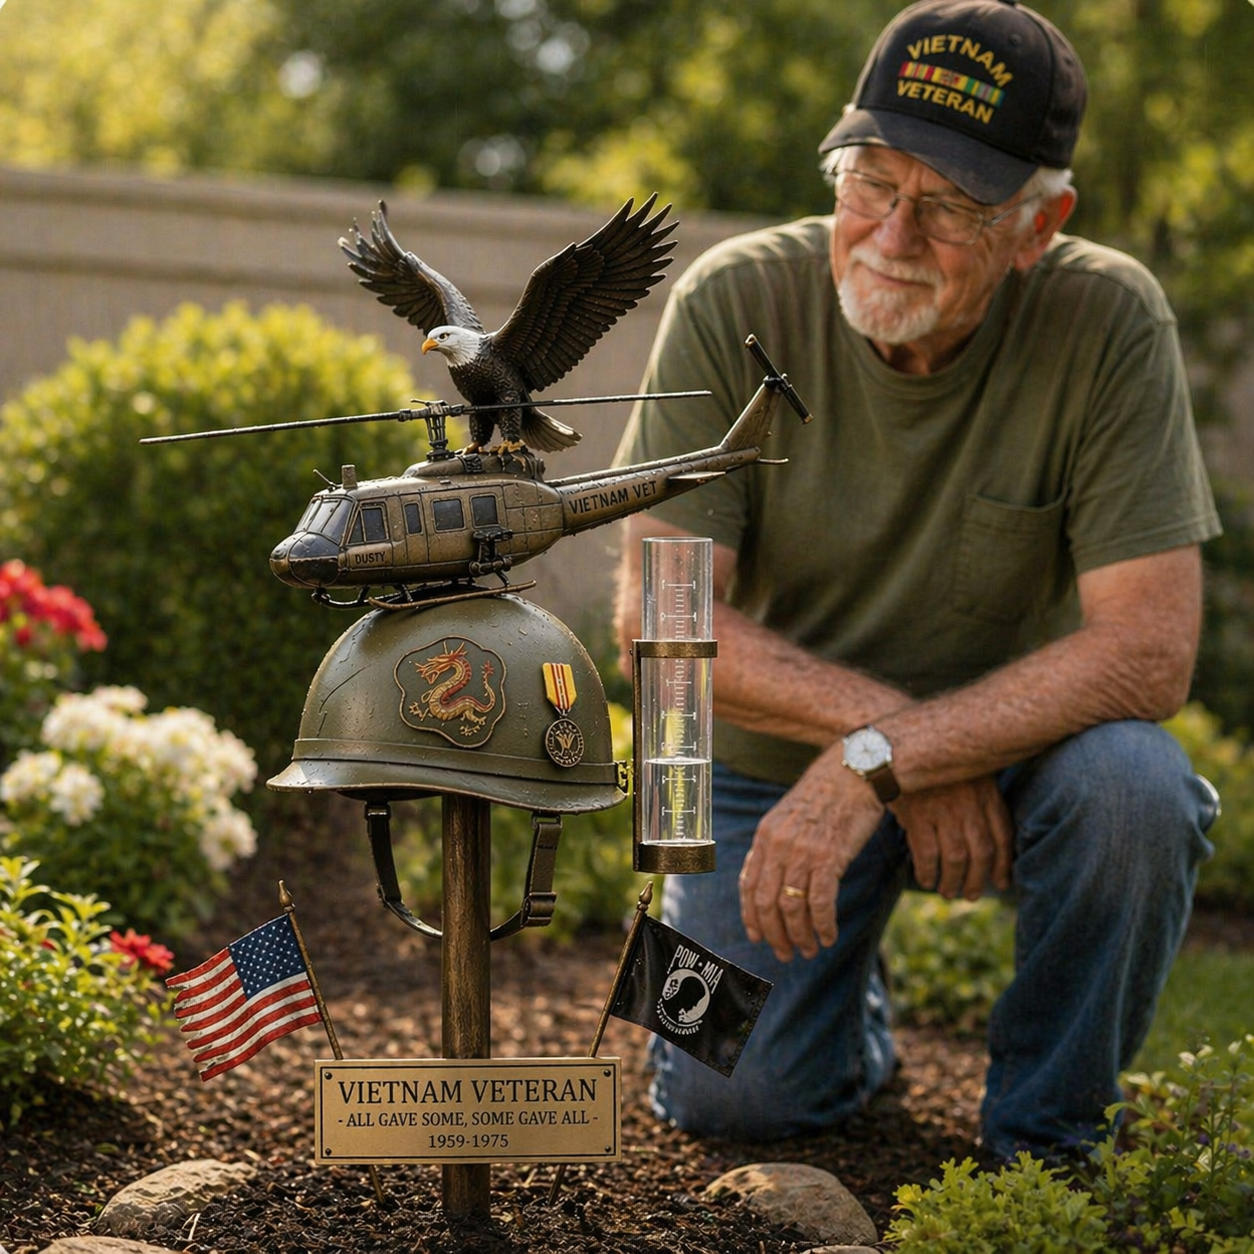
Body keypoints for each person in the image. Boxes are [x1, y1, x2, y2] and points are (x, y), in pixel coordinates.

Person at [612, 0, 1222, 1161]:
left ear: (1040, 226)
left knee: (1139, 791)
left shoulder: (1110, 317)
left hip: (1014, 764)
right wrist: (881, 749)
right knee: (715, 1097)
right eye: (871, 181)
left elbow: (1152, 651)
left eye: (949, 205)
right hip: (747, 768)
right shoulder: (728, 298)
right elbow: (659, 627)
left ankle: (1046, 1143)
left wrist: (888, 759)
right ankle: (846, 1025)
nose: (894, 232)